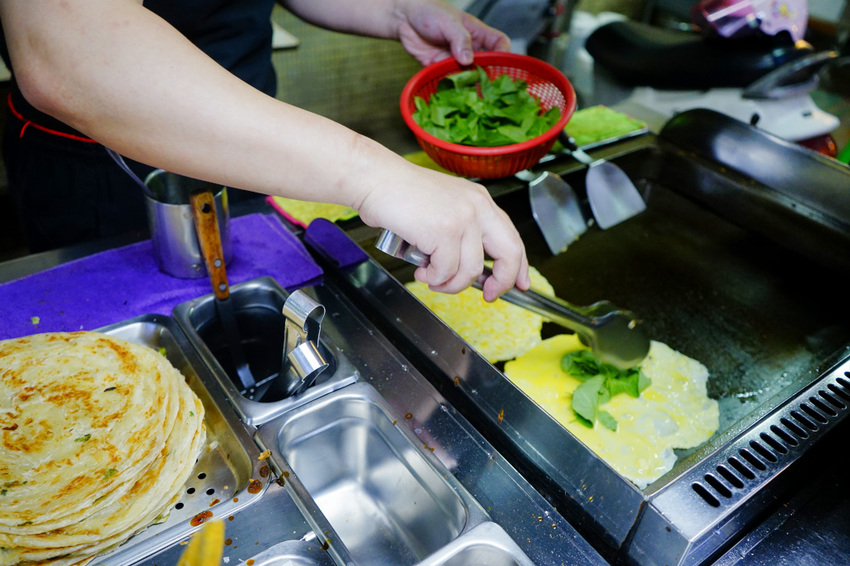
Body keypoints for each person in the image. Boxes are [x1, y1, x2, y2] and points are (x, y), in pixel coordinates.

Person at [0, 0, 530, 301]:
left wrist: (394, 11)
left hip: (256, 150)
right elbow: (69, 48)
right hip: (103, 171)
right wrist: (374, 175)